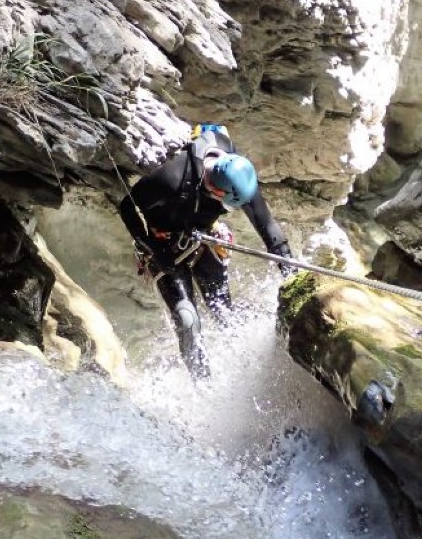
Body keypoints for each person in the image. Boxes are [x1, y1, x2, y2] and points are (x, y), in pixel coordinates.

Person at [118, 124, 294, 379]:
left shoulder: (237, 171)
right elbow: (127, 207)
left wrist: (289, 270)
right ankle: (203, 383)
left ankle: (243, 374)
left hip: (202, 237)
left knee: (223, 311)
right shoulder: (172, 178)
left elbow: (266, 225)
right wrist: (153, 248)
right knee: (188, 322)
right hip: (165, 245)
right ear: (215, 189)